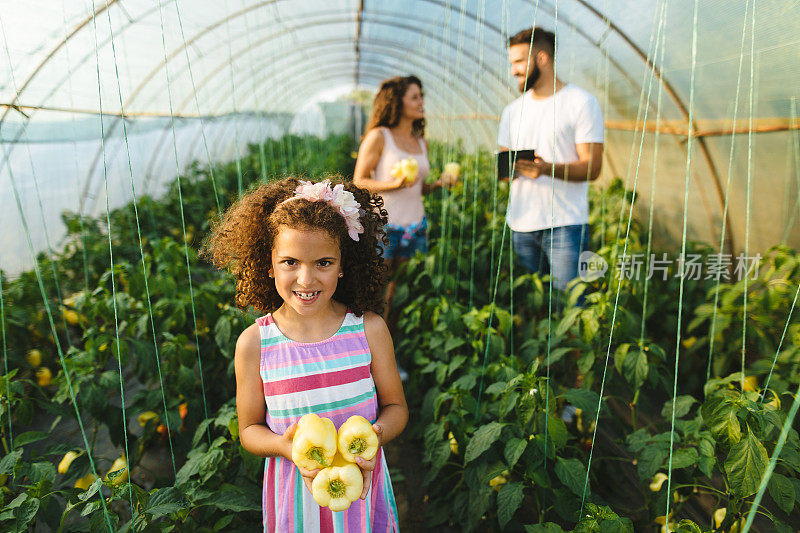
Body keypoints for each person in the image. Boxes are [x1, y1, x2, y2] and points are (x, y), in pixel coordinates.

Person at [204, 177, 407, 532]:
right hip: (297, 501)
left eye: (324, 263)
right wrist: (283, 446)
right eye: (290, 262)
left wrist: (372, 437)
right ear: (268, 264)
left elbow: (397, 408)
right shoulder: (255, 344)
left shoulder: (368, 330)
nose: (306, 278)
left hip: (360, 491)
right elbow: (250, 428)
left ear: (343, 265)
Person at [498, 27, 604, 294]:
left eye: (519, 62)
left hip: (565, 226)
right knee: (530, 305)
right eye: (512, 63)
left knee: (568, 306)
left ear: (542, 59)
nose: (513, 71)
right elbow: (503, 170)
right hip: (520, 224)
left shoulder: (581, 103)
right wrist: (510, 168)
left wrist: (546, 169)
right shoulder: (512, 112)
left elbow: (592, 167)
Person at [353, 75, 456, 319]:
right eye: (414, 97)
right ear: (397, 102)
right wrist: (393, 184)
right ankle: (372, 350)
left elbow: (416, 189)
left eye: (422, 97)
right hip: (385, 227)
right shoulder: (379, 136)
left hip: (416, 227)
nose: (421, 102)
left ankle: (393, 348)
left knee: (401, 295)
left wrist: (439, 184)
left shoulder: (421, 143)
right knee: (375, 295)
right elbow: (358, 182)